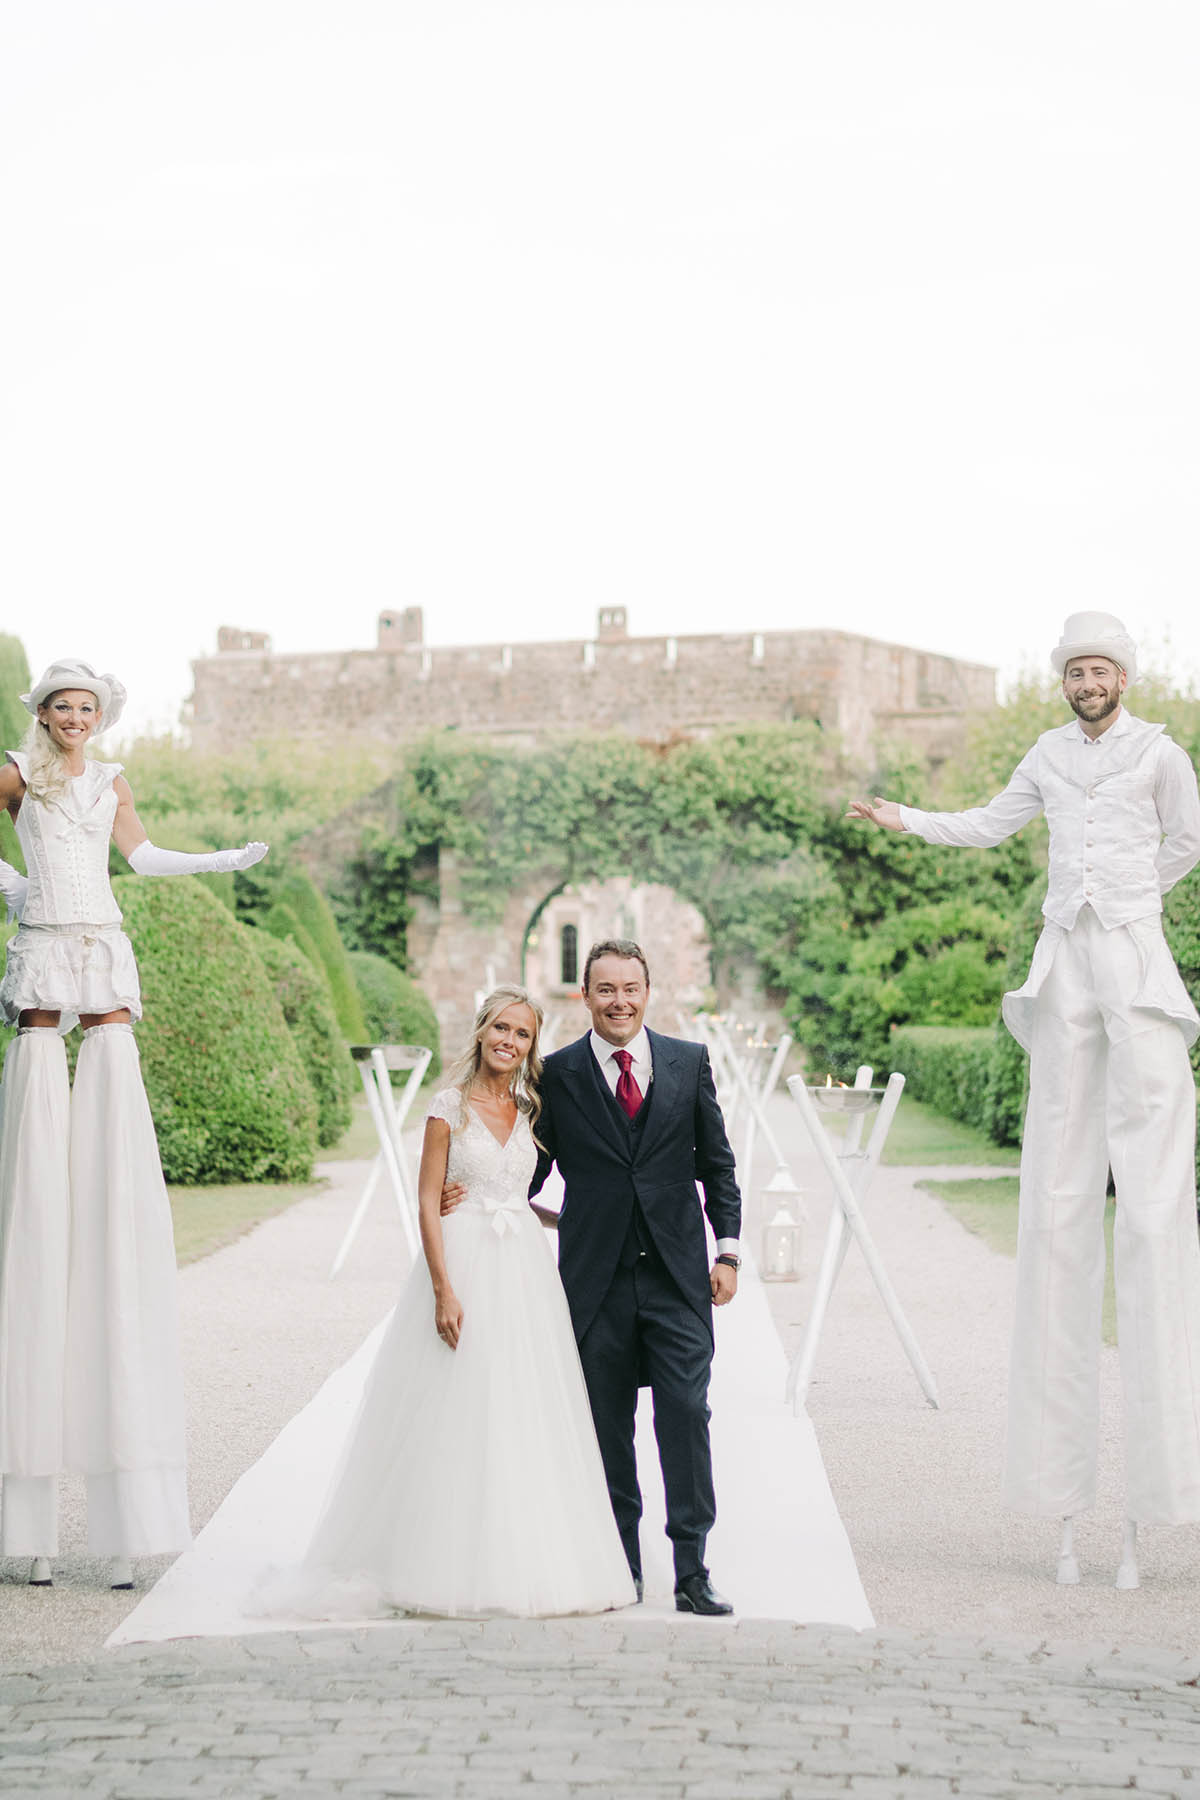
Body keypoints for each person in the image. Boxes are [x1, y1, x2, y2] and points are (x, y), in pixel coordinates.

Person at [848, 612, 1200, 1587]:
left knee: (1156, 1211)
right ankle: (1061, 1507)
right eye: (1075, 669)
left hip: (1132, 954)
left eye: (1100, 667)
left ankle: (1157, 1498)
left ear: (1121, 675)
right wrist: (904, 818)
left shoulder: (1161, 753)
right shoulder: (1048, 754)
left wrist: (1135, 896)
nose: (1088, 680)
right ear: (1065, 681)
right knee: (1056, 1204)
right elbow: (989, 823)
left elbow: (1190, 840)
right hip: (1066, 968)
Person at [0, 659, 268, 1588]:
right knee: (36, 1112)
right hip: (42, 949)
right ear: (43, 713)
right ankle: (22, 1531)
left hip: (103, 949)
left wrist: (220, 862)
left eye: (89, 708)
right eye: (63, 706)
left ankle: (126, 1530)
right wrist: (12, 886)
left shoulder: (111, 782)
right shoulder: (13, 772)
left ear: (101, 719)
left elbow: (141, 858)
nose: (76, 718)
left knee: (111, 1111)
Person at [285, 986, 635, 1618]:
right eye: (500, 1028)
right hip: (466, 1263)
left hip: (524, 1271)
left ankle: (526, 1556)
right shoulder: (449, 1107)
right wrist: (444, 1288)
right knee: (455, 1401)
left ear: (532, 1046)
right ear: (480, 1032)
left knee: (522, 1405)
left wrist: (580, 1220)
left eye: (523, 1034)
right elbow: (427, 1201)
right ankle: (436, 1558)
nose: (509, 1041)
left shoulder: (532, 1109)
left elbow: (520, 1193)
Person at [448, 940, 742, 1615]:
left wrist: (726, 1252)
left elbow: (718, 1167)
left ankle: (693, 1571)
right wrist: (470, 1191)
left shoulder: (688, 1062)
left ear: (648, 992)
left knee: (685, 1417)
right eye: (605, 989)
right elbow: (528, 1171)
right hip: (592, 1285)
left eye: (630, 988)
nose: (619, 1001)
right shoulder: (557, 1075)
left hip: (677, 1280)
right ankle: (622, 1570)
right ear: (584, 997)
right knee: (604, 1428)